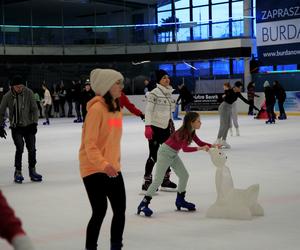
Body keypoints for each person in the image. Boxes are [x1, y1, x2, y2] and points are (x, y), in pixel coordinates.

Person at [79, 69, 126, 250]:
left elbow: (112, 138)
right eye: (117, 83)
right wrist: (103, 164)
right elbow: (89, 144)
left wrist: (113, 163)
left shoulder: (116, 108)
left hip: (112, 167)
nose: (121, 86)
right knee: (99, 211)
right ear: (107, 86)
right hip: (92, 168)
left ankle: (116, 246)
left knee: (119, 211)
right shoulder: (96, 110)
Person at [137, 112, 215, 217]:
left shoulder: (191, 131)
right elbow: (185, 149)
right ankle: (143, 204)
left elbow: (200, 142)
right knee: (158, 180)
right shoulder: (183, 132)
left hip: (173, 154)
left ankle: (180, 200)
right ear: (191, 122)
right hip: (164, 153)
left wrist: (213, 146)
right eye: (198, 121)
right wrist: (200, 149)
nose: (200, 123)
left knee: (184, 175)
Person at [0, 75, 42, 183]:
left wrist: (34, 123)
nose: (20, 88)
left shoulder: (29, 93)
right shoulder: (7, 96)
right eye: (17, 87)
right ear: (12, 86)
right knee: (20, 148)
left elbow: (34, 109)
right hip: (16, 127)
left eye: (21, 86)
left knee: (32, 149)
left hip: (29, 126)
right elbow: (1, 112)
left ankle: (32, 170)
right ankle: (18, 171)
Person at [143, 69, 177, 192]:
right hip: (155, 128)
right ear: (159, 80)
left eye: (168, 77)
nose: (167, 79)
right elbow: (148, 111)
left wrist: (171, 124)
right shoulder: (154, 93)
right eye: (164, 78)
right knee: (154, 155)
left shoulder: (168, 93)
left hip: (166, 128)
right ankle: (147, 181)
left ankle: (165, 180)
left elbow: (169, 113)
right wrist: (147, 126)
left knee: (167, 154)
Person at [216, 81, 259, 149]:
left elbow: (245, 100)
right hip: (223, 108)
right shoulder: (229, 91)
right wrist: (224, 95)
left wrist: (254, 106)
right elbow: (222, 98)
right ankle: (217, 141)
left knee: (227, 125)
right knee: (223, 125)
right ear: (236, 87)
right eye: (240, 88)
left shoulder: (238, 93)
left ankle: (223, 141)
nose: (240, 89)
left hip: (229, 108)